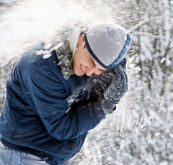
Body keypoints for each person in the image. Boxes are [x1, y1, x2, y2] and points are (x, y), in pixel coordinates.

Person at [0, 22, 131, 164]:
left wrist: (102, 91)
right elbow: (61, 128)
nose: (90, 72)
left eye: (100, 70)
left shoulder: (79, 59)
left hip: (39, 158)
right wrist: (105, 105)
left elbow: (79, 107)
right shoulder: (42, 64)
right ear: (82, 40)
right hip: (21, 156)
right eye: (91, 62)